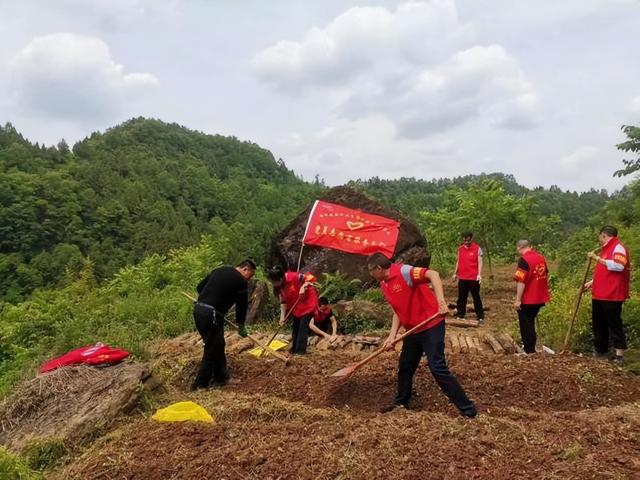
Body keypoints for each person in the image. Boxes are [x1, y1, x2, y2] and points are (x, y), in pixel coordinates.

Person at [367, 253, 477, 418]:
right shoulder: (384, 284)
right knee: (405, 366)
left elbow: (433, 274)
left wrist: (441, 302)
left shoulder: (405, 272)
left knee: (437, 367)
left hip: (431, 325)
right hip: (413, 329)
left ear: (378, 268)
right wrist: (392, 336)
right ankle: (401, 403)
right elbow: (397, 310)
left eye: (370, 271)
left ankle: (468, 409)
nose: (370, 275)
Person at [191, 259, 256, 390]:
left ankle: (221, 377)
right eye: (251, 275)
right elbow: (241, 306)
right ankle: (199, 385)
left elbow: (199, 287)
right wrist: (241, 325)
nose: (249, 279)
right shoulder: (240, 281)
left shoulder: (219, 270)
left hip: (199, 310)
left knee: (218, 344)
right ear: (245, 269)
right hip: (212, 314)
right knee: (212, 348)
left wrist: (209, 298)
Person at [583, 226, 630, 365]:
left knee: (614, 324)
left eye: (600, 237)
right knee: (599, 324)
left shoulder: (618, 247)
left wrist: (596, 258)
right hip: (599, 294)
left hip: (612, 294)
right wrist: (592, 282)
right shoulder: (606, 249)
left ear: (604, 235)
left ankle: (619, 355)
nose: (599, 240)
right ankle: (601, 351)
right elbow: (605, 271)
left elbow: (619, 266)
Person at [267, 266, 318, 355]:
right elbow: (283, 302)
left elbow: (310, 278)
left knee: (303, 326)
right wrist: (282, 318)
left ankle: (300, 351)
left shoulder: (293, 276)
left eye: (276, 281)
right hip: (296, 306)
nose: (274, 284)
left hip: (308, 302)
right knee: (295, 326)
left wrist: (303, 286)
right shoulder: (280, 288)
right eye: (273, 282)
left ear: (281, 278)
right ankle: (294, 349)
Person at [513, 240, 550, 354]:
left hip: (529, 298)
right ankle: (531, 347)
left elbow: (521, 281)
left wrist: (518, 300)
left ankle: (529, 349)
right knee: (530, 321)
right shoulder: (541, 258)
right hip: (540, 297)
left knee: (526, 323)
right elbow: (546, 274)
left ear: (519, 247)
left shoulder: (523, 260)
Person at [452, 231, 485, 324]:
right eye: (464, 240)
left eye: (467, 240)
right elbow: (458, 261)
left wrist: (479, 274)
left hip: (473, 277)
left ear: (471, 238)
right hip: (462, 277)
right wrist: (455, 273)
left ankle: (480, 316)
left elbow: (480, 262)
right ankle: (460, 314)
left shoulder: (477, 248)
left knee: (476, 297)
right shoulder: (461, 249)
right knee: (461, 297)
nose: (466, 242)